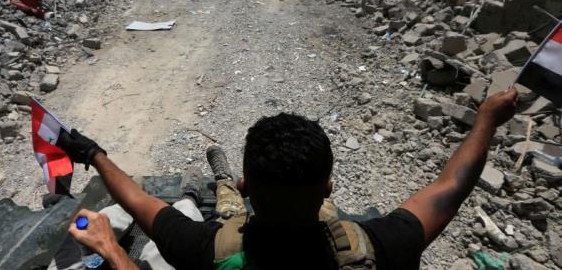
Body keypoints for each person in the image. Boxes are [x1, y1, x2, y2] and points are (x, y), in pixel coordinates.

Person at [57, 88, 518, 270]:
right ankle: (225, 177)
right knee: (332, 223)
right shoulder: (373, 248)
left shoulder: (202, 250)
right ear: (329, 186)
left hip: (244, 226)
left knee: (230, 218)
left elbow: (139, 202)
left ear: (250, 186)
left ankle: (223, 178)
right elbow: (448, 190)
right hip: (316, 223)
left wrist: (112, 246)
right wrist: (486, 120)